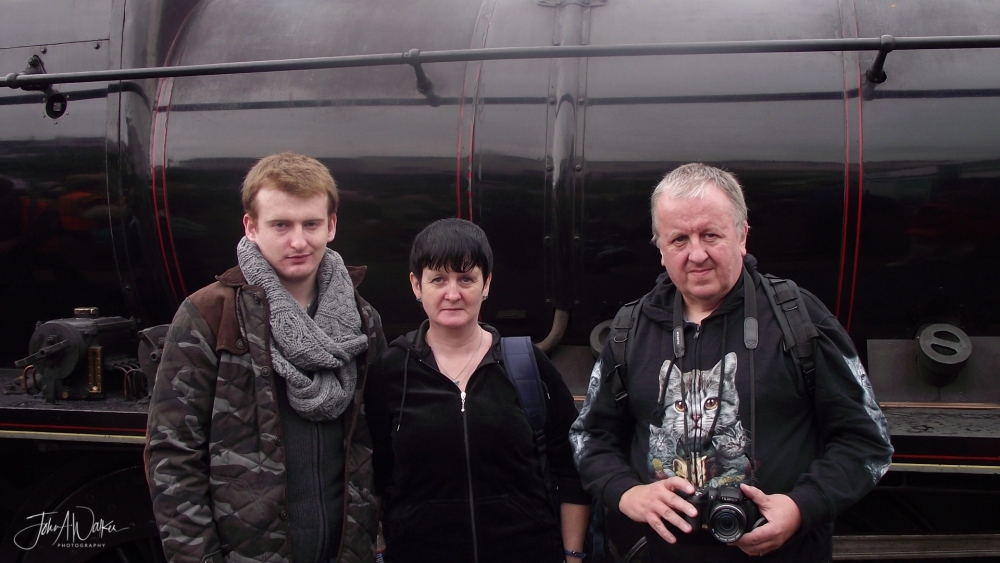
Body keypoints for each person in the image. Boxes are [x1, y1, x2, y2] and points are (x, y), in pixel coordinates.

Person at [570, 163, 893, 562]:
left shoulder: (798, 319)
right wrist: (626, 492)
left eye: (710, 234)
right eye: (679, 239)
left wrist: (800, 507)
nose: (697, 254)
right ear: (660, 250)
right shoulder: (630, 329)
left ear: (742, 236)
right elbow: (589, 437)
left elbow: (867, 441)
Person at [145, 152, 385, 562]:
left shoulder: (362, 323)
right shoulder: (209, 315)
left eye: (311, 224)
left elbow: (376, 442)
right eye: (281, 225)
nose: (299, 241)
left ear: (331, 225)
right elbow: (173, 455)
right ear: (251, 227)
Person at [365, 218, 591, 563]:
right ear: (416, 285)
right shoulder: (392, 371)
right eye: (438, 279)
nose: (452, 294)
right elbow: (376, 476)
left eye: (466, 279)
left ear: (486, 284)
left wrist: (572, 556)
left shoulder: (525, 364)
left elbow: (570, 464)